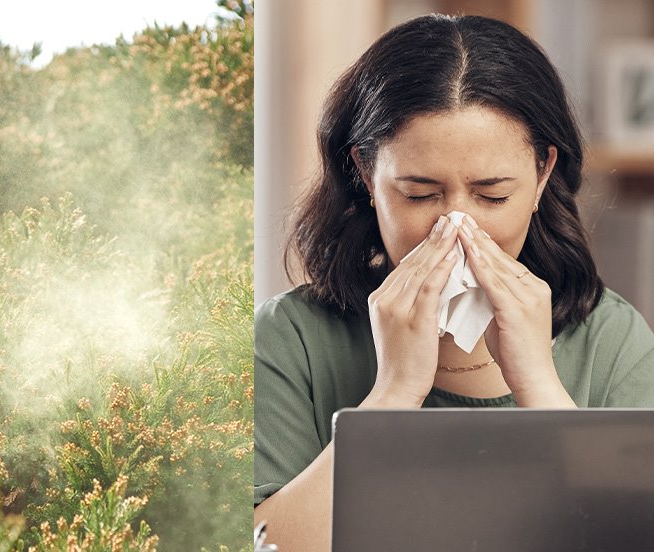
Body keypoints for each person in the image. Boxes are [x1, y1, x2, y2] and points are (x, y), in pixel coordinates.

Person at [253, 13, 654, 551]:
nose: (456, 227)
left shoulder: (610, 338)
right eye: (419, 194)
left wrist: (538, 384)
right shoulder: (291, 338)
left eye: (492, 195)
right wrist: (393, 394)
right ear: (367, 176)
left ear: (540, 177)